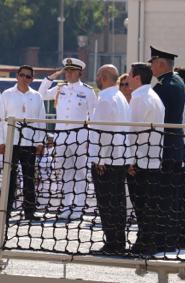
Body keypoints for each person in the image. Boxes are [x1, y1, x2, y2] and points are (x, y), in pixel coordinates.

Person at [39, 57, 97, 219]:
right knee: (64, 173)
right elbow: (41, 95)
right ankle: (67, 205)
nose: (69, 74)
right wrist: (51, 77)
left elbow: (93, 117)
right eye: (67, 70)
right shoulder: (59, 88)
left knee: (80, 173)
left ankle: (78, 206)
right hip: (62, 137)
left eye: (72, 71)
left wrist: (90, 140)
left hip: (80, 137)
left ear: (80, 72)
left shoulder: (87, 91)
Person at [148, 47, 185, 250]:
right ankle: (176, 237)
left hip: (166, 147)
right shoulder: (176, 82)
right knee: (175, 196)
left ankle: (166, 239)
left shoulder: (165, 87)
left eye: (153, 62)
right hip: (174, 146)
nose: (151, 66)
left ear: (162, 64)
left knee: (165, 196)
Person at [88, 64, 131, 255]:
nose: (96, 78)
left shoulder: (105, 99)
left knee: (107, 203)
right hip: (120, 157)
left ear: (104, 77)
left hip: (107, 160)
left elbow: (103, 132)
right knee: (118, 202)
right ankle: (118, 241)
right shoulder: (120, 96)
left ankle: (113, 243)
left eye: (98, 75)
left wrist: (100, 159)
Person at [0, 65, 46, 222]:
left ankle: (29, 212)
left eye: (28, 76)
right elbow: (0, 119)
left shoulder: (37, 96)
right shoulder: (7, 94)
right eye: (22, 75)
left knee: (29, 178)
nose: (25, 79)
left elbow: (41, 120)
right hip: (11, 142)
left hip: (30, 142)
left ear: (32, 79)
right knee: (9, 178)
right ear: (17, 76)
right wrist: (1, 141)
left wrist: (40, 142)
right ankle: (6, 211)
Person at [126, 61, 166, 256]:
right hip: (153, 158)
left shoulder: (139, 99)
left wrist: (130, 160)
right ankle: (147, 242)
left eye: (129, 74)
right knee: (149, 205)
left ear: (136, 77)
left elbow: (132, 131)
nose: (126, 78)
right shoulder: (154, 96)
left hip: (140, 160)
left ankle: (144, 243)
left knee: (141, 205)